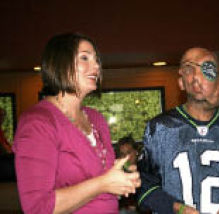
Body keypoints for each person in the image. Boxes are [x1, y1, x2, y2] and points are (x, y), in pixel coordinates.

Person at [13, 33, 141, 214]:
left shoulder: (96, 119)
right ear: (60, 64)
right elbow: (37, 207)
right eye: (84, 57)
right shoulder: (38, 122)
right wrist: (103, 184)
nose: (96, 66)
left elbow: (95, 175)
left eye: (97, 60)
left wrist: (120, 173)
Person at [137, 47, 219, 214]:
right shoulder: (160, 128)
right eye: (189, 69)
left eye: (207, 69)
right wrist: (177, 209)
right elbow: (142, 187)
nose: (197, 77)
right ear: (181, 82)